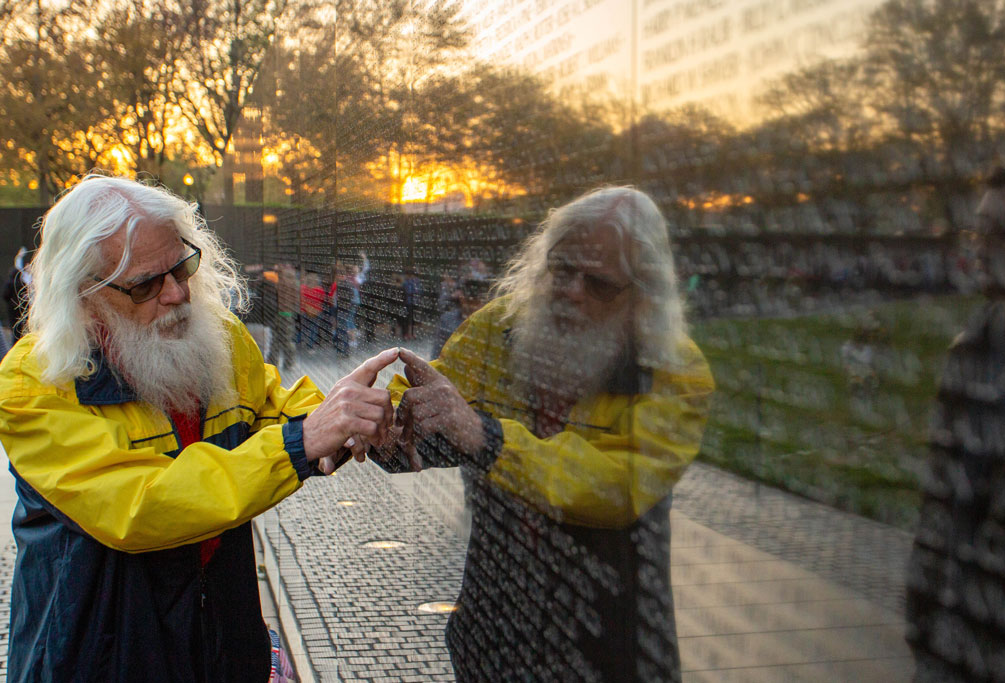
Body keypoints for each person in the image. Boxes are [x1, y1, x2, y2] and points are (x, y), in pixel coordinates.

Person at [0, 174, 397, 681]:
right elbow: (139, 505)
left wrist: (373, 409)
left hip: (222, 646)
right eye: (146, 283)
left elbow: (282, 409)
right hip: (102, 657)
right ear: (84, 293)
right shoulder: (35, 382)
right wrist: (299, 445)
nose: (176, 294)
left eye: (182, 266)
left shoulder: (222, 338)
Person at [373, 187, 714, 682]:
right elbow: (438, 409)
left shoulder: (675, 373)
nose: (572, 291)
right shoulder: (499, 330)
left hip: (605, 644)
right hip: (492, 634)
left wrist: (484, 436)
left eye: (599, 283)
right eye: (562, 268)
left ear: (644, 296)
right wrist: (390, 434)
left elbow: (612, 485)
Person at [905, 164, 1005, 682]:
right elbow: (941, 497)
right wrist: (922, 611)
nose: (978, 246)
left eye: (997, 233)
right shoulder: (968, 353)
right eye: (979, 230)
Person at [431, 261, 491, 359]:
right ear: (462, 298)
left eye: (478, 302)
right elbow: (436, 355)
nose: (476, 307)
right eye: (471, 302)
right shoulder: (446, 320)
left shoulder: (490, 323)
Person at [3, 247, 31, 343]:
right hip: (23, 309)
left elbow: (5, 296)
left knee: (15, 330)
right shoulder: (23, 283)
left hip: (12, 310)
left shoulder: (10, 284)